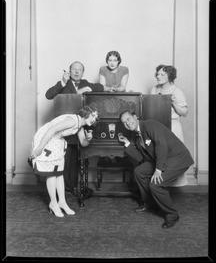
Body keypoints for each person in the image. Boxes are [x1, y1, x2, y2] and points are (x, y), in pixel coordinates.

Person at [118, 110, 194, 229]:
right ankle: (150, 204)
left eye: (128, 119)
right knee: (139, 172)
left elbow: (161, 145)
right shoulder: (138, 138)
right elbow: (140, 158)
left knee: (155, 184)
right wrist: (127, 143)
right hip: (163, 159)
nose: (127, 123)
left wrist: (158, 169)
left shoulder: (150, 124)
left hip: (177, 158)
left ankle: (171, 214)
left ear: (135, 117)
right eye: (124, 123)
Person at [45, 61, 104, 196]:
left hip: (78, 127)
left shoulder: (85, 83)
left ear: (83, 72)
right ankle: (61, 187)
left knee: (74, 159)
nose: (77, 72)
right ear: (69, 71)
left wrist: (86, 89)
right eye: (74, 69)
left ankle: (71, 186)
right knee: (62, 158)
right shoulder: (63, 84)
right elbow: (48, 95)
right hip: (62, 127)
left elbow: (100, 87)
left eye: (79, 70)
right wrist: (62, 83)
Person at [29, 106, 99, 218]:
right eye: (92, 116)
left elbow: (83, 143)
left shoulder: (79, 126)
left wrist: (88, 139)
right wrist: (39, 148)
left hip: (56, 141)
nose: (94, 119)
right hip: (46, 138)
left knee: (59, 173)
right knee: (51, 173)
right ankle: (53, 203)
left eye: (96, 118)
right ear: (86, 114)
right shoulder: (72, 121)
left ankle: (62, 202)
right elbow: (52, 129)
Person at [150, 64, 189, 186]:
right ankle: (159, 183)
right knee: (159, 155)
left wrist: (173, 103)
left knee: (173, 156)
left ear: (170, 76)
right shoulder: (154, 89)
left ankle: (173, 184)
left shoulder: (177, 92)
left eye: (162, 74)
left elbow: (184, 112)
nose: (158, 76)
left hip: (173, 127)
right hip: (158, 126)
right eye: (158, 74)